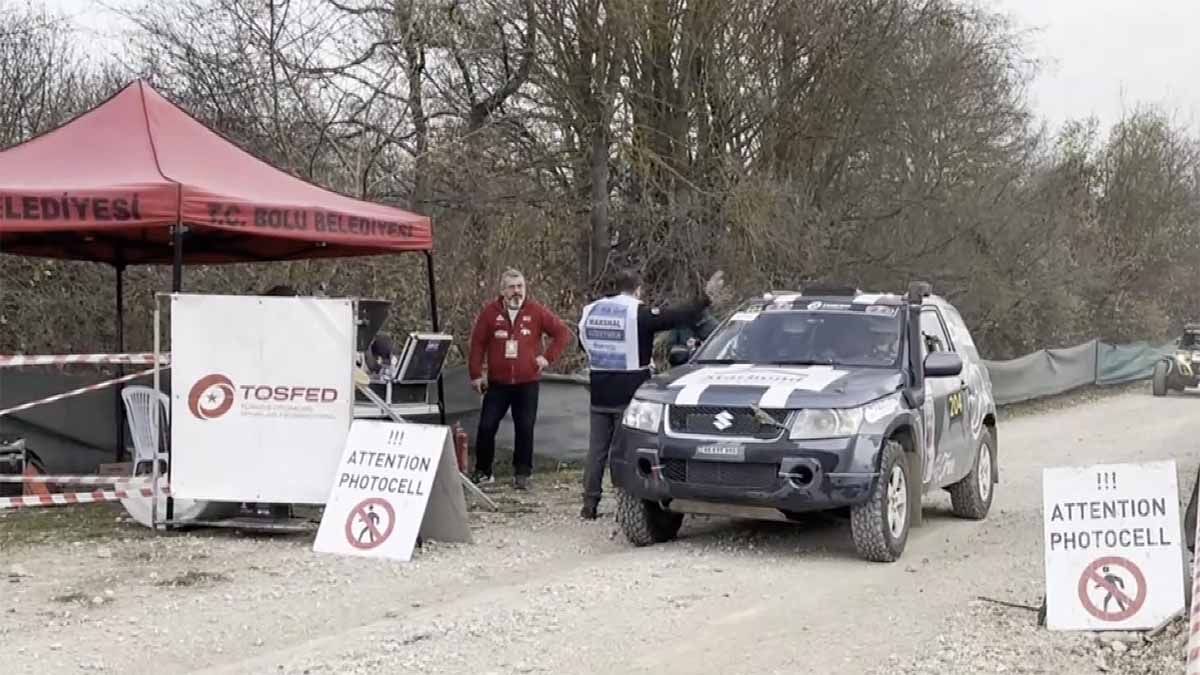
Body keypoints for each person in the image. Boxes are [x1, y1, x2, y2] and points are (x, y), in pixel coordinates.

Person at [577, 268, 726, 519]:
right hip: (631, 391)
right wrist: (706, 298)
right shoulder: (637, 313)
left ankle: (589, 505)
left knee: (597, 450)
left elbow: (582, 344)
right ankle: (630, 501)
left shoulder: (590, 311)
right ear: (637, 289)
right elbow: (677, 316)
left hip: (599, 390)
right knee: (630, 449)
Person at [467, 269, 571, 490]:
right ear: (503, 290)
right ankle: (484, 472)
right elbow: (477, 343)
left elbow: (563, 333)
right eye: (512, 287)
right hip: (498, 383)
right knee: (486, 426)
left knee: (525, 427)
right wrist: (475, 374)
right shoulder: (490, 313)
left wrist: (547, 357)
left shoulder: (535, 311)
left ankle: (522, 473)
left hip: (527, 382)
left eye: (520, 286)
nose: (517, 291)